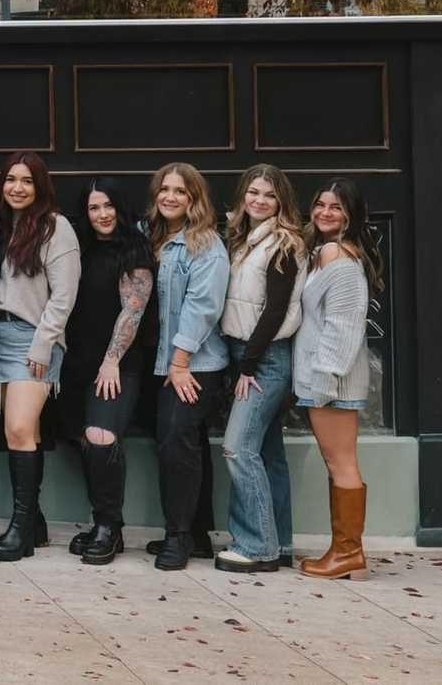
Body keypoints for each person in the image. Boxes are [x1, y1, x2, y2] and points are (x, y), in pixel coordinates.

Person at [0, 152, 80, 562]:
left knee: (19, 429)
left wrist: (44, 343)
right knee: (26, 432)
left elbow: (64, 294)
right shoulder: (1, 226)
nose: (17, 188)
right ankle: (34, 520)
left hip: (32, 339)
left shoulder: (56, 227)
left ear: (40, 187)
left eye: (27, 181)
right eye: (10, 180)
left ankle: (20, 527)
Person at [216, 165, 308, 573]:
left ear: (281, 202)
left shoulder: (284, 244)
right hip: (247, 355)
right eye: (253, 192)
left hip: (263, 359)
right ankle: (280, 541)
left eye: (268, 195)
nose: (258, 200)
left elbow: (274, 311)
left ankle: (256, 547)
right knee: (269, 454)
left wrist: (248, 364)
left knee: (238, 447)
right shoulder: (244, 239)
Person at [63, 178, 157, 565]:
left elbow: (132, 310)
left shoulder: (134, 251)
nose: (102, 215)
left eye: (107, 206)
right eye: (93, 208)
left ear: (120, 207)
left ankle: (108, 526)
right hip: (75, 362)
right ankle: (103, 525)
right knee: (83, 439)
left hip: (117, 366)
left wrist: (111, 360)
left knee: (101, 435)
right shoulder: (78, 248)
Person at [145, 162, 231, 570]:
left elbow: (203, 307)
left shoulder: (205, 244)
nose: (170, 197)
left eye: (181, 191)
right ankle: (195, 533)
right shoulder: (161, 238)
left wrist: (180, 364)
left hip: (195, 364)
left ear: (195, 199)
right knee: (186, 442)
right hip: (169, 363)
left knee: (177, 443)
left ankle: (178, 536)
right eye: (165, 189)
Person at [295, 178, 378, 580]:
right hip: (326, 378)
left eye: (337, 207)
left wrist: (325, 381)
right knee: (337, 462)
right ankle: (344, 550)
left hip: (334, 380)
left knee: (341, 461)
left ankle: (349, 553)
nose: (326, 212)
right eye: (321, 204)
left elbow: (343, 327)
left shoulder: (339, 258)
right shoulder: (325, 253)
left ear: (351, 215)